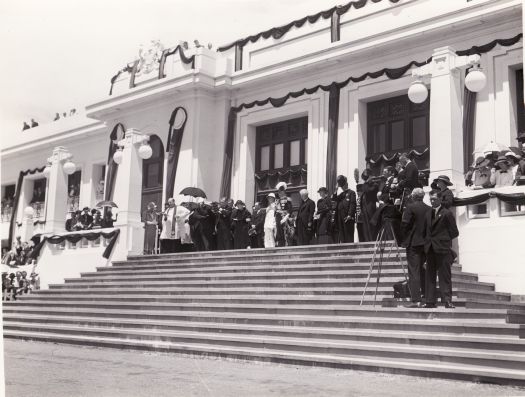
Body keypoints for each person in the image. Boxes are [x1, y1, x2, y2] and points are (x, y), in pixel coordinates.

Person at [424, 190, 459, 309]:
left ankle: (447, 301)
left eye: (434, 199)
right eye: (431, 199)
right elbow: (425, 231)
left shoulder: (447, 213)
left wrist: (443, 239)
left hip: (443, 249)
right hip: (430, 249)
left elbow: (454, 232)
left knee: (445, 276)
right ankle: (429, 301)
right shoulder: (427, 213)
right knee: (430, 276)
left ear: (440, 199)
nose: (432, 201)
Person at [401, 188, 431, 307]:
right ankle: (425, 294)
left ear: (413, 196)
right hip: (425, 244)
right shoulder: (429, 209)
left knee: (414, 271)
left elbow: (405, 224)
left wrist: (404, 238)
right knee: (422, 270)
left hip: (413, 243)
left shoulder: (410, 207)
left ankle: (416, 299)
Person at [332, 175, 356, 243]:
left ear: (346, 184)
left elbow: (352, 204)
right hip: (340, 217)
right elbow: (333, 199)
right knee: (342, 235)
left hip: (347, 217)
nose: (342, 187)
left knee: (348, 235)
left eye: (342, 185)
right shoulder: (341, 195)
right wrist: (336, 190)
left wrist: (350, 215)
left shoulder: (351, 192)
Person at [357, 170, 379, 242]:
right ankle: (368, 241)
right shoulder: (367, 184)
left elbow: (367, 190)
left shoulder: (374, 184)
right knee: (366, 227)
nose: (365, 178)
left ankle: (372, 240)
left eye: (366, 176)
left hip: (370, 208)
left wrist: (367, 182)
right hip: (365, 208)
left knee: (371, 226)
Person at [275, 182, 292, 247]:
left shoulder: (288, 200)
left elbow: (290, 210)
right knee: (279, 233)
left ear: (284, 192)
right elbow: (276, 211)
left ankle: (286, 246)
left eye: (281, 192)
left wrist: (286, 217)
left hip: (285, 218)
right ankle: (280, 246)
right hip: (278, 218)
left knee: (286, 233)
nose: (279, 193)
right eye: (278, 192)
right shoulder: (277, 201)